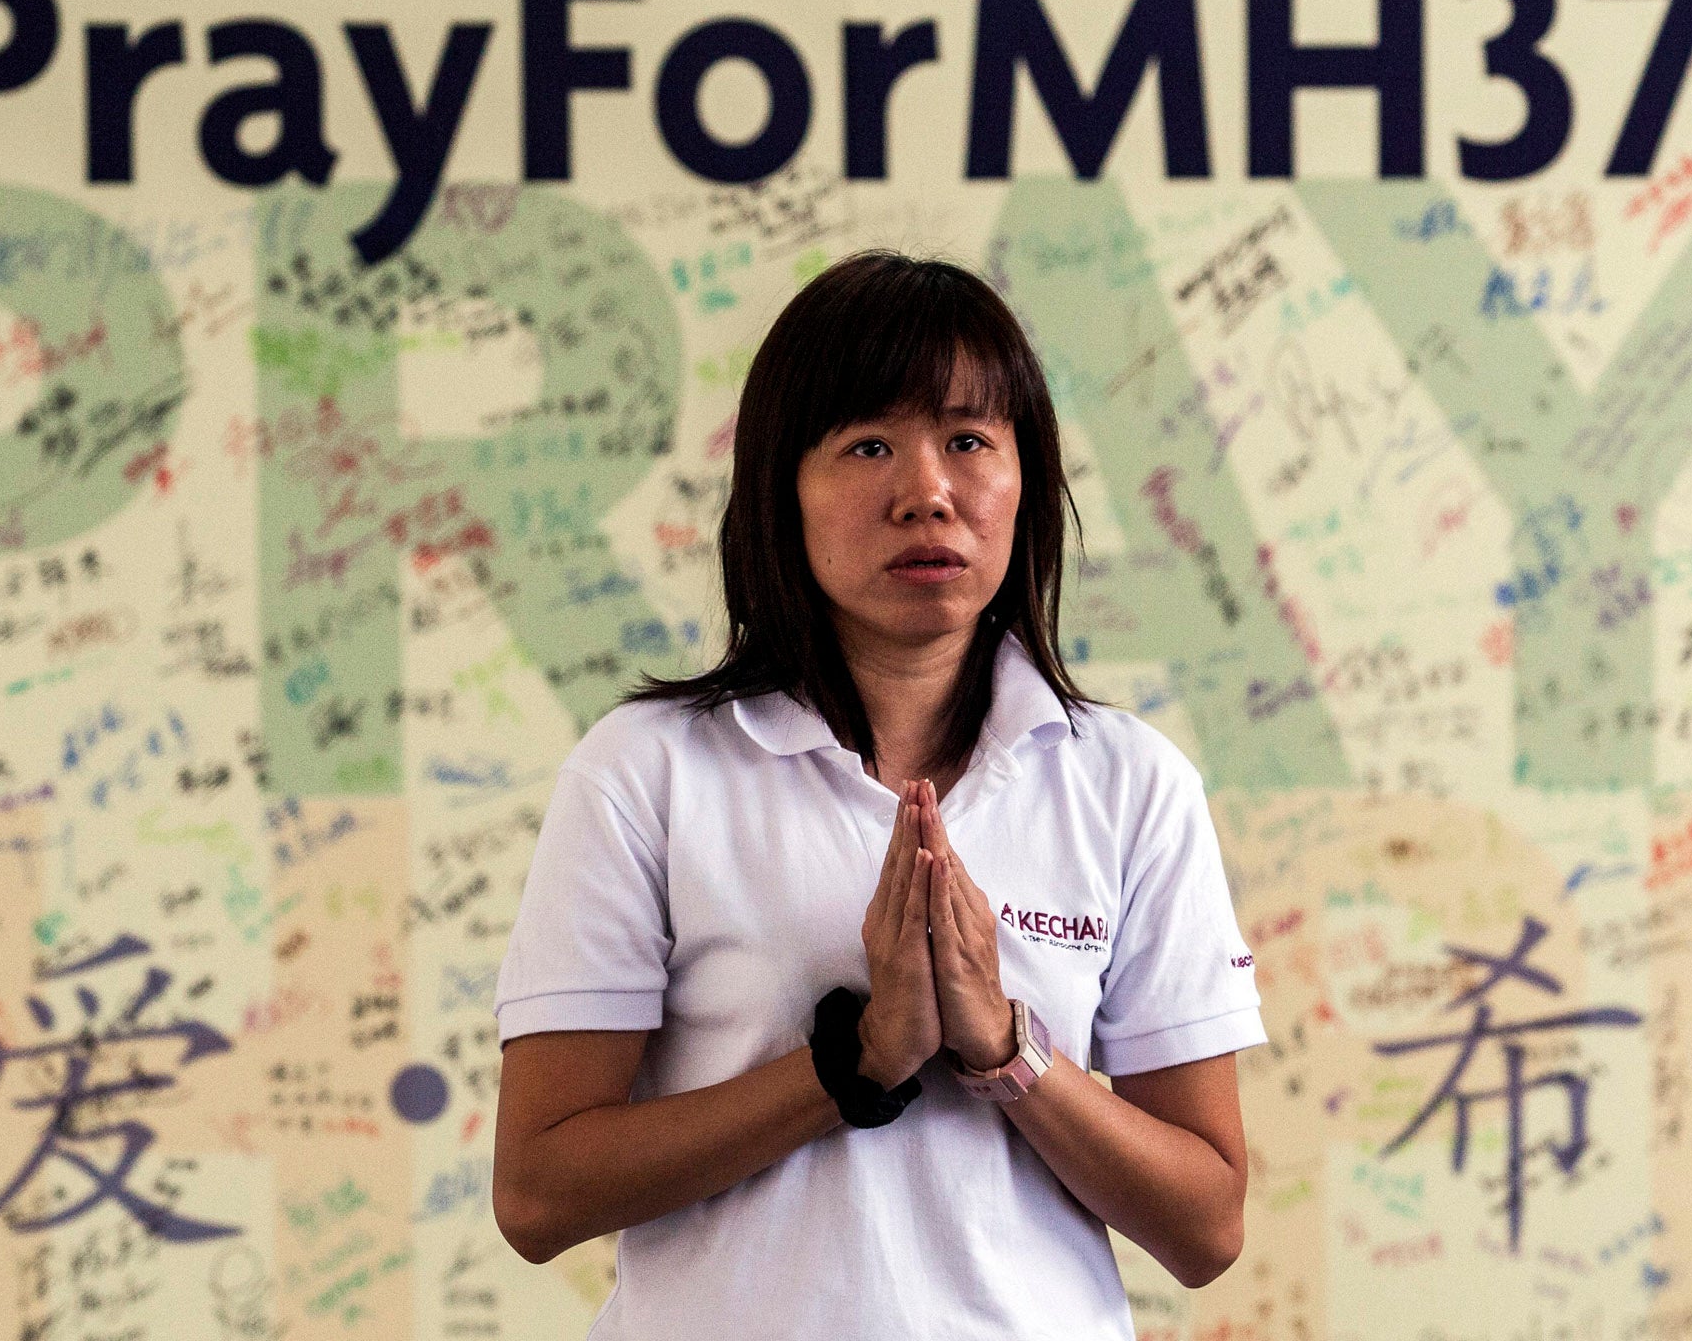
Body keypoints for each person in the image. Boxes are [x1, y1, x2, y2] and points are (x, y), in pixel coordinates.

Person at [490, 249, 1266, 1337]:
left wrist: (1005, 1049)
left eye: (967, 441)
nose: (926, 492)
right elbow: (537, 1193)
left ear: (1023, 483)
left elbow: (1208, 1224)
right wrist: (850, 1067)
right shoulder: (646, 771)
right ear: (781, 493)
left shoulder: (1132, 784)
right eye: (866, 445)